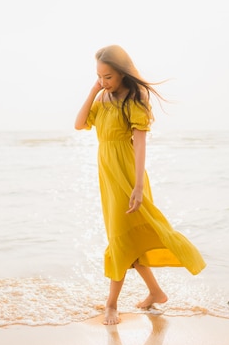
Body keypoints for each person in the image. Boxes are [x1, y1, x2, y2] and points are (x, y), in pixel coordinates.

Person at [75, 45, 206, 325]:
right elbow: (79, 124)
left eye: (108, 76)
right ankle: (156, 292)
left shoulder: (135, 98)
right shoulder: (103, 99)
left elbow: (140, 145)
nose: (103, 81)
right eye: (99, 76)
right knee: (127, 239)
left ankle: (111, 305)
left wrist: (137, 187)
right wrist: (93, 92)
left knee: (121, 239)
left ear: (122, 73)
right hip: (108, 177)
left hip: (127, 176)